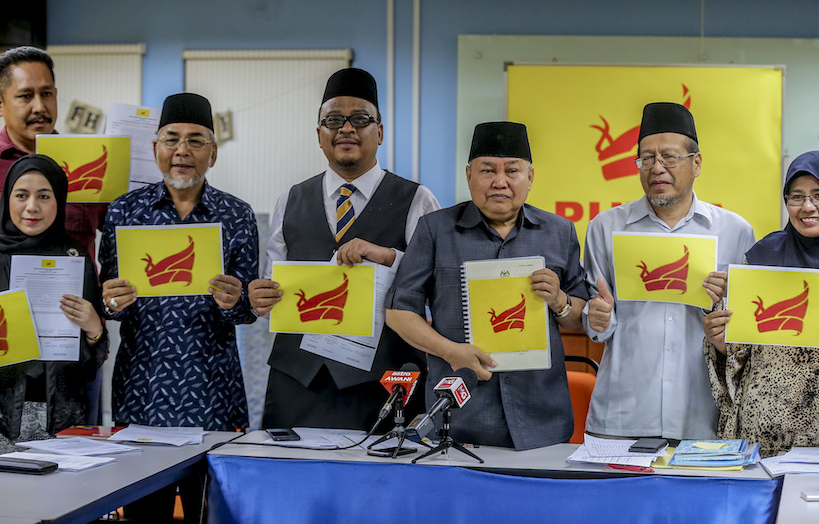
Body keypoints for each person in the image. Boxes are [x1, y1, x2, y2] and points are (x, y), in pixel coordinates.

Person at [249, 67, 439, 430]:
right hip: (297, 382)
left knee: (378, 484)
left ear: (379, 132)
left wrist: (390, 258)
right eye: (333, 120)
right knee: (292, 482)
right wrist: (259, 297)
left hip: (383, 383)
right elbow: (272, 284)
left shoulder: (416, 199)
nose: (346, 128)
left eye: (360, 119)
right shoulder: (290, 199)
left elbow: (435, 289)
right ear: (319, 134)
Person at [385, 121, 587, 450]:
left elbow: (580, 315)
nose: (500, 182)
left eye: (512, 171)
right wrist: (451, 353)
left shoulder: (559, 231)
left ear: (530, 177)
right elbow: (398, 312)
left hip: (541, 414)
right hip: (459, 413)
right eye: (487, 170)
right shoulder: (436, 230)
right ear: (469, 176)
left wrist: (560, 300)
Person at [582, 102, 755, 440]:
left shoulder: (735, 231)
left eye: (669, 157)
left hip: (703, 415)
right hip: (624, 414)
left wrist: (719, 306)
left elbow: (745, 335)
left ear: (697, 163)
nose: (657, 167)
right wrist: (596, 318)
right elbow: (598, 322)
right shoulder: (606, 228)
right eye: (647, 158)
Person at [705, 151, 819, 456]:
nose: (808, 207)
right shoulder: (761, 257)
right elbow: (742, 352)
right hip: (764, 433)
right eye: (797, 197)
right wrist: (721, 342)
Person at [98, 93, 257, 430]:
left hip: (213, 384)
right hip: (141, 382)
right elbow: (110, 299)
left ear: (212, 154)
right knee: (140, 480)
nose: (182, 150)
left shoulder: (237, 215)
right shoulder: (124, 211)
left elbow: (247, 309)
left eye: (195, 141)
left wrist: (235, 301)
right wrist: (112, 301)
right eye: (171, 139)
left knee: (211, 479)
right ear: (156, 147)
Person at [0, 155, 107, 451]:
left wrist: (94, 328)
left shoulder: (74, 258)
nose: (32, 207)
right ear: (7, 198)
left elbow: (91, 363)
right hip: (2, 413)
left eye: (44, 196)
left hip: (59, 417)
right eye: (21, 195)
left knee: (62, 495)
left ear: (59, 200)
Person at [0, 46, 106, 261]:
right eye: (25, 96)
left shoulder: (89, 162)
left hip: (79, 293)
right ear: (1, 104)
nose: (39, 107)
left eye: (46, 94)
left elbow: (121, 239)